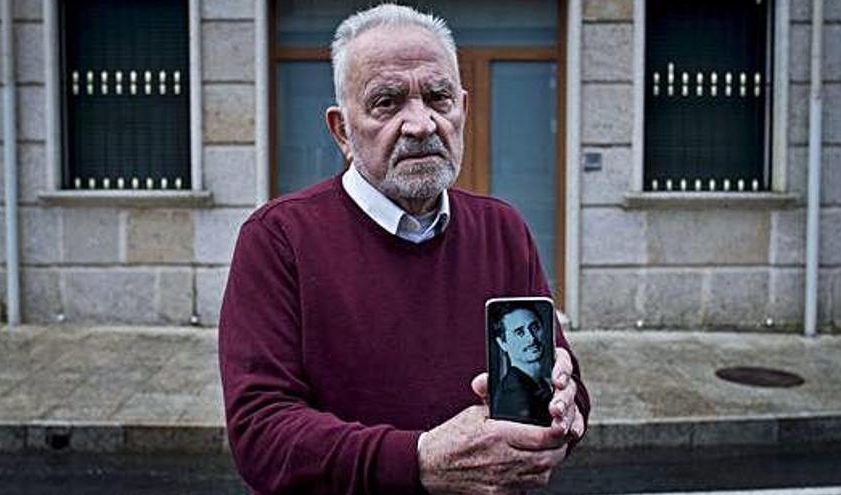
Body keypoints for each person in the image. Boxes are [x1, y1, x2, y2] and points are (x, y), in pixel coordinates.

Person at [219, 4, 590, 494]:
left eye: (438, 98)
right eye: (387, 102)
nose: (422, 124)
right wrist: (417, 461)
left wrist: (566, 408)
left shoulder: (503, 229)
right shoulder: (277, 239)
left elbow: (565, 386)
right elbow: (261, 435)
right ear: (341, 131)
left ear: (463, 109)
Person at [491, 304, 554, 426]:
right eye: (519, 332)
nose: (531, 338)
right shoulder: (513, 394)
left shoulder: (540, 384)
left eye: (534, 328)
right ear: (502, 343)